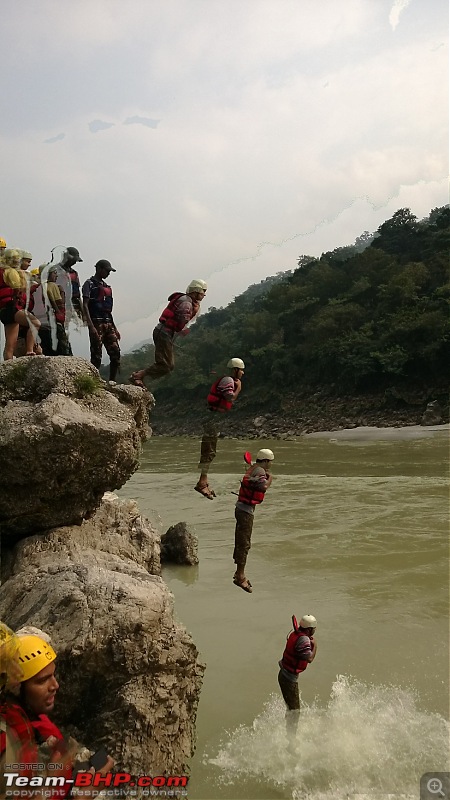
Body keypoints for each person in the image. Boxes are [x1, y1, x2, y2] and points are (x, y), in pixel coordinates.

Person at [0, 628, 114, 798]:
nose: (55, 685)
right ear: (15, 689)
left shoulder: (30, 721)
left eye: (52, 675)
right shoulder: (5, 742)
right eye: (42, 680)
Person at [129, 278, 207, 388]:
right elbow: (182, 319)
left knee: (166, 364)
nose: (204, 295)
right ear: (196, 291)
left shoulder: (186, 300)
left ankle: (139, 376)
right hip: (164, 332)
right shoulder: (186, 302)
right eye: (203, 291)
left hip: (163, 331)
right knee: (166, 365)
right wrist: (183, 329)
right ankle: (138, 376)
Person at [194, 358, 245, 500]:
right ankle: (202, 483)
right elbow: (229, 398)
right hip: (212, 417)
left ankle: (203, 481)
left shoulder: (228, 380)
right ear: (235, 370)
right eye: (241, 370)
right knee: (209, 450)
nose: (242, 373)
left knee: (210, 451)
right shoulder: (229, 381)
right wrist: (239, 389)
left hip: (213, 418)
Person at [232, 448, 274, 593]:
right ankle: (240, 576)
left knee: (241, 541)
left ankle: (239, 572)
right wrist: (270, 480)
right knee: (245, 543)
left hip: (241, 509)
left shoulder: (253, 469)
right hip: (245, 511)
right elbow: (262, 487)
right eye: (270, 462)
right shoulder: (260, 472)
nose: (270, 465)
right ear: (266, 461)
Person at [277, 614, 318, 741]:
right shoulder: (304, 640)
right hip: (289, 679)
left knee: (291, 709)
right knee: (295, 712)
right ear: (310, 629)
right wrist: (315, 645)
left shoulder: (296, 634)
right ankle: (291, 741)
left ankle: (288, 732)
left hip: (284, 674)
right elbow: (309, 658)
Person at [82, 260, 120, 380]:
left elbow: (107, 309)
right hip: (96, 322)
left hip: (108, 323)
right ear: (99, 269)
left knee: (116, 353)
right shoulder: (89, 284)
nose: (108, 273)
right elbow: (85, 305)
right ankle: (94, 381)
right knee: (96, 355)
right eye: (107, 270)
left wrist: (115, 327)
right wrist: (90, 325)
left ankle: (112, 382)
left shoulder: (106, 287)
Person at [0, 249, 41, 359]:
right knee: (35, 323)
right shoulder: (11, 273)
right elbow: (18, 289)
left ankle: (7, 370)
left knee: (10, 345)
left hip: (4, 310)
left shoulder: (3, 271)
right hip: (12, 308)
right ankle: (29, 350)